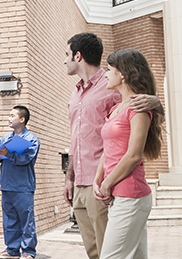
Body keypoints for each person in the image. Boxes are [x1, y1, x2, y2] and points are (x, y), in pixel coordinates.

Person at [61, 33, 163, 259]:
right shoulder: (75, 92)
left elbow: (138, 113)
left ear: (78, 56)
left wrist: (157, 104)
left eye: (66, 55)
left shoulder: (110, 88)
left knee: (111, 252)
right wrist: (70, 177)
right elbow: (76, 136)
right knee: (95, 251)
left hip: (113, 184)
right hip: (83, 181)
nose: (64, 60)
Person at [93, 49, 162, 259]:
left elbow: (133, 155)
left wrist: (107, 184)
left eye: (110, 69)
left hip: (130, 195)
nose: (105, 74)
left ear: (122, 73)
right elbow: (109, 149)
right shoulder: (116, 108)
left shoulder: (138, 108)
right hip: (119, 194)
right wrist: (98, 179)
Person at [0, 106, 40, 259]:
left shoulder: (31, 140)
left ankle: (28, 251)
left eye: (12, 115)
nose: (8, 118)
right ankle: (12, 249)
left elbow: (25, 159)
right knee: (10, 219)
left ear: (22, 119)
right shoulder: (5, 138)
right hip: (7, 185)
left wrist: (8, 153)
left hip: (23, 187)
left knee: (26, 220)